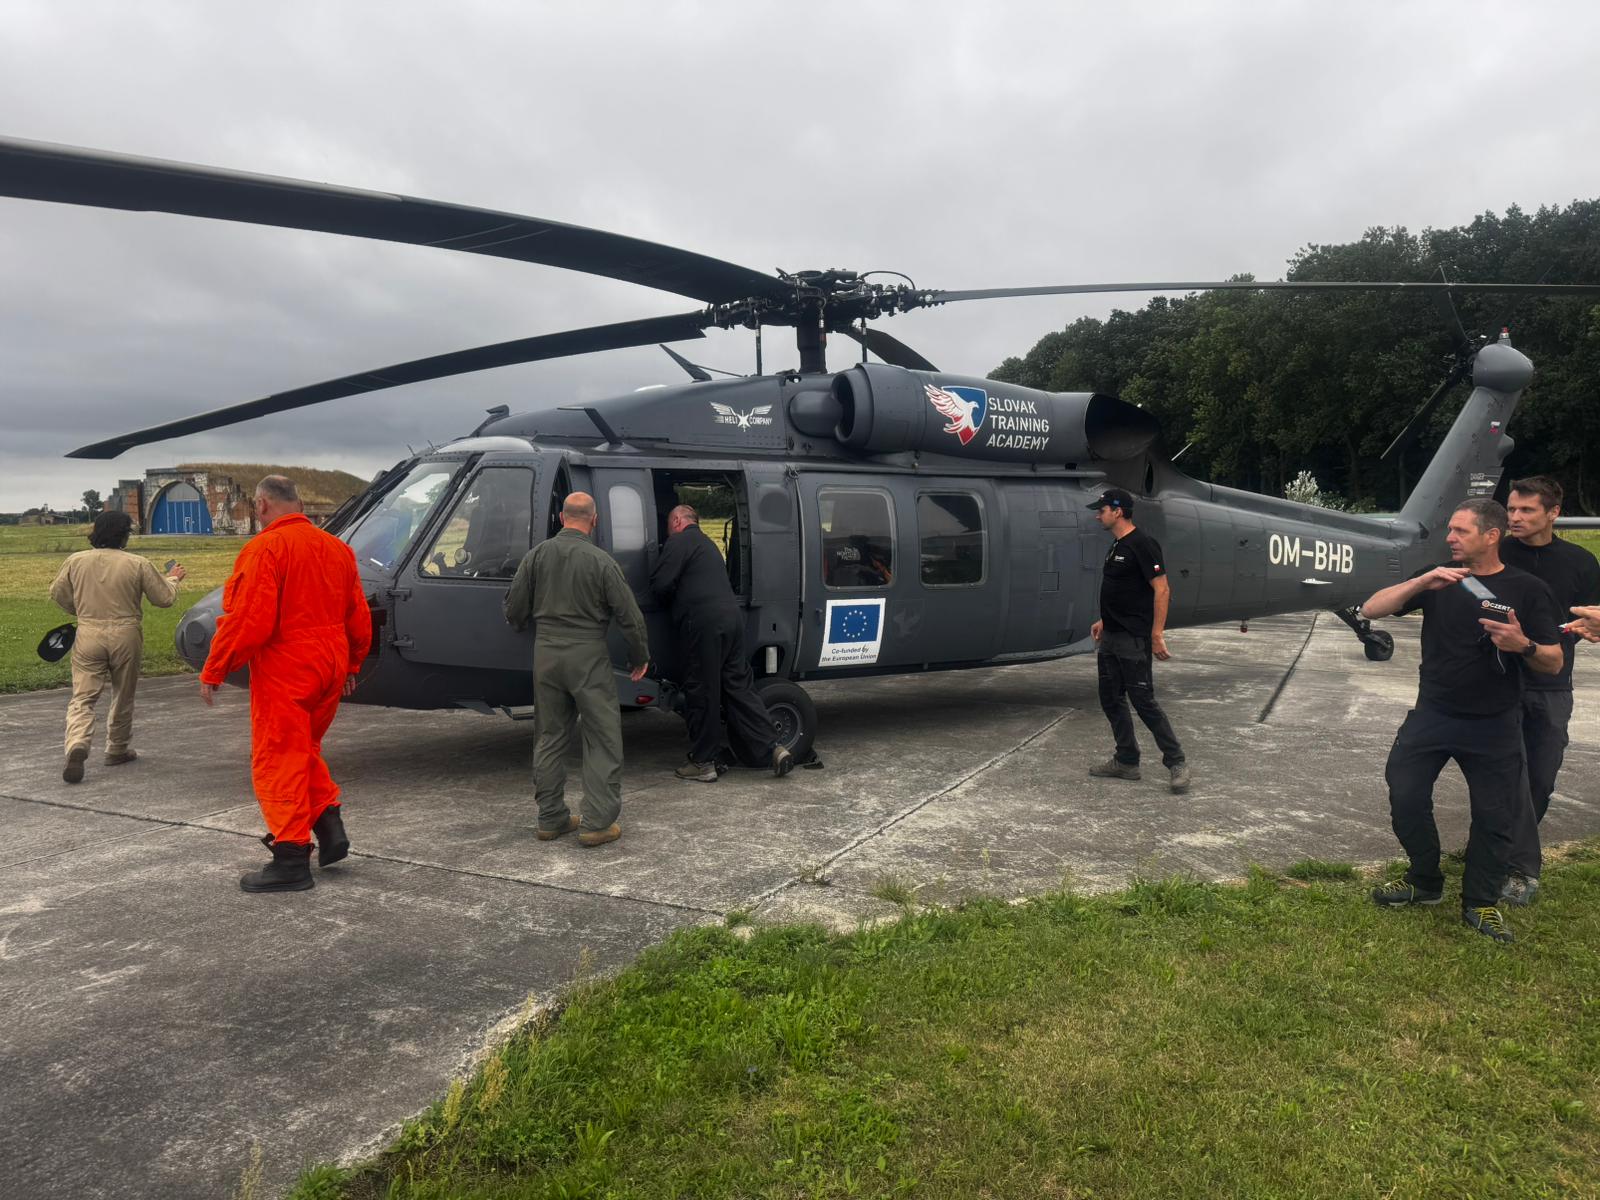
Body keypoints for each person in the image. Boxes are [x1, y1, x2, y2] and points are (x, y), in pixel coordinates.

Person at [1359, 498, 1562, 944]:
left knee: (1494, 817)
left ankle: (1480, 903)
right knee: (1406, 794)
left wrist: (1521, 643)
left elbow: (1552, 661)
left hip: (1494, 723)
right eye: (1449, 531)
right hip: (1433, 713)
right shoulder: (1439, 578)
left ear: (1491, 536)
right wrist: (1423, 582)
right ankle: (1424, 879)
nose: (1449, 538)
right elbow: (1371, 608)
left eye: (1459, 532)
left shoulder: (1527, 589)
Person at [199, 476, 372, 893]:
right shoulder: (338, 548)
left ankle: (291, 857)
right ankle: (329, 825)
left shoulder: (266, 548)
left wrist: (215, 667)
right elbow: (358, 614)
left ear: (261, 506)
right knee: (303, 750)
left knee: (278, 758)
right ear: (298, 504)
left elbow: (250, 618)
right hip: (329, 664)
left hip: (288, 666)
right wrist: (350, 666)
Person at [504, 492, 650, 847]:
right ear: (594, 520)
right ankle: (596, 823)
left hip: (546, 655)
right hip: (587, 655)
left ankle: (550, 818)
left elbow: (515, 610)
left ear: (561, 517)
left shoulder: (536, 556)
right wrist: (639, 656)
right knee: (601, 736)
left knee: (550, 736)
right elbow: (629, 616)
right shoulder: (601, 562)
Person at [1498, 476, 1600, 905]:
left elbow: (1595, 615)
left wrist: (1592, 625)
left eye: (1526, 510)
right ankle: (1517, 865)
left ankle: (1505, 848)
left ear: (1553, 513)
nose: (1515, 518)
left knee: (1539, 776)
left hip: (1552, 684)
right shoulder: (1495, 553)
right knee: (1503, 775)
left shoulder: (1580, 561)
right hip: (1497, 682)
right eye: (1511, 510)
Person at [650, 504, 795, 781]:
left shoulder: (680, 541)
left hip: (703, 623)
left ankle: (703, 762)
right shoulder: (708, 544)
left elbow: (660, 584)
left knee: (702, 689)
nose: (669, 532)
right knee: (738, 687)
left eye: (669, 525)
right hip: (732, 619)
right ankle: (773, 746)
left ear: (678, 520)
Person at [48, 510, 186, 784]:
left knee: (83, 696)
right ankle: (117, 748)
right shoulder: (137, 563)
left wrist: (81, 611)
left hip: (88, 631)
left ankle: (78, 741)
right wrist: (173, 579)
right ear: (125, 535)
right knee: (123, 693)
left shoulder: (75, 561)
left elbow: (58, 593)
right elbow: (163, 599)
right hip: (126, 633)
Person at [1086, 487, 1191, 793]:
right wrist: (1105, 620)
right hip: (1112, 638)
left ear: (1118, 511)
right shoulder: (1116, 545)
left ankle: (1177, 762)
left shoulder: (1142, 544)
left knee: (1143, 701)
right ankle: (1127, 760)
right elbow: (1124, 590)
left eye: (1102, 509)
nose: (1097, 514)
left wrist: (1156, 635)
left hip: (1133, 639)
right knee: (1110, 699)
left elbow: (1162, 590)